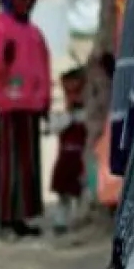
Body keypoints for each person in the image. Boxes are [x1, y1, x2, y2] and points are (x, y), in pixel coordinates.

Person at [0, 0, 52, 238]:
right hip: (10, 108)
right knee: (8, 165)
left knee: (28, 165)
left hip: (31, 108)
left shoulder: (34, 33)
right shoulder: (2, 30)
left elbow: (43, 70)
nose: (27, 2)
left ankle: (22, 217)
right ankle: (5, 217)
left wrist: (44, 100)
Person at [49, 68, 89, 235]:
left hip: (82, 160)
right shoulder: (62, 113)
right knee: (63, 193)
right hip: (65, 160)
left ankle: (80, 220)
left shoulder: (87, 113)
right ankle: (61, 221)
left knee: (81, 191)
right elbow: (54, 127)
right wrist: (69, 117)